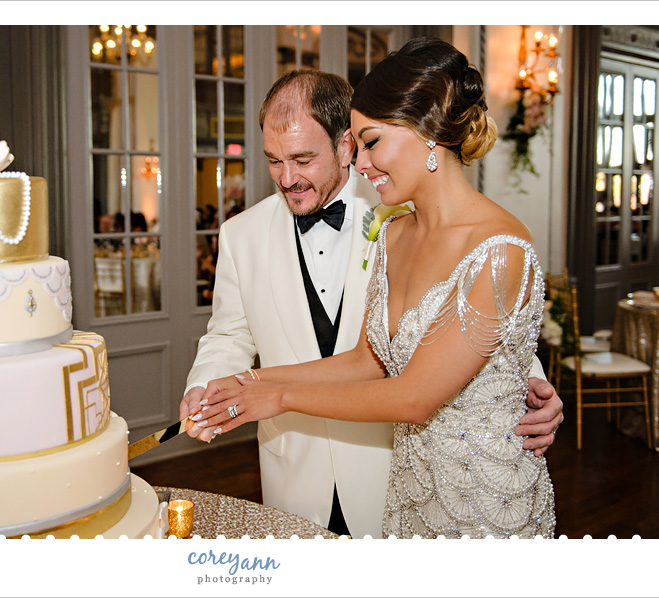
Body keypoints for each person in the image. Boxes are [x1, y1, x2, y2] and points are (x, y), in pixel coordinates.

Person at [181, 62, 562, 538]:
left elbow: (482, 312)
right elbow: (234, 333)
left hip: (393, 465)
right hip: (296, 470)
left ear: (344, 145)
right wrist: (225, 385)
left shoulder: (401, 205)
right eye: (274, 160)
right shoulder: (243, 234)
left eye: (302, 159)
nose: (286, 177)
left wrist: (527, 384)